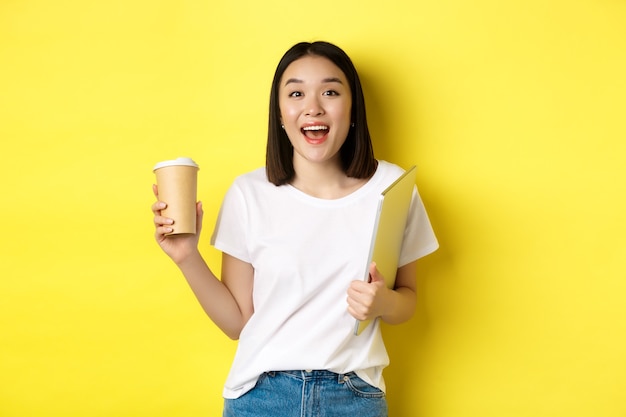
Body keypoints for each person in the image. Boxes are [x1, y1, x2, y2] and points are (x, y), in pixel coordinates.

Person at [152, 41, 438, 417]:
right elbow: (238, 322)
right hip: (261, 398)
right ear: (281, 113)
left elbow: (409, 300)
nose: (313, 106)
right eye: (297, 93)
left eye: (331, 92)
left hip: (353, 398)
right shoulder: (249, 193)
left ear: (352, 110)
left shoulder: (392, 186)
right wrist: (187, 256)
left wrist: (383, 302)